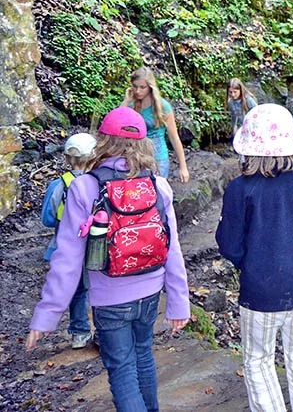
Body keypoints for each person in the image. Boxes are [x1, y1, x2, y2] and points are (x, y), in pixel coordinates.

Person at [27, 106, 191, 412]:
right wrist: (180, 302)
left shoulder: (85, 187)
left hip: (109, 297)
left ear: (102, 141)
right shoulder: (158, 185)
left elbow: (67, 259)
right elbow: (173, 248)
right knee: (143, 356)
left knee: (122, 370)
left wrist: (47, 315)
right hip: (151, 292)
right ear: (145, 144)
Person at [216, 104, 293, 412]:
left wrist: (250, 262)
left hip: (261, 290)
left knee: (258, 360)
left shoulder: (241, 189)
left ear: (248, 149)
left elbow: (229, 246)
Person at [40, 132, 96, 350]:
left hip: (67, 246)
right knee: (100, 286)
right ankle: (103, 330)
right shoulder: (99, 181)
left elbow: (47, 218)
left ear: (66, 158)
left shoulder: (59, 185)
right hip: (96, 245)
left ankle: (80, 332)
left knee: (77, 289)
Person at [122, 67, 190, 183]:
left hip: (158, 159)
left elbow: (174, 138)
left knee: (157, 194)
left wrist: (183, 167)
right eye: (135, 86)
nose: (138, 91)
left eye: (142, 87)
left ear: (150, 87)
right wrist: (126, 101)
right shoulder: (131, 105)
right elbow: (115, 124)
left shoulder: (163, 107)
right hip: (136, 157)